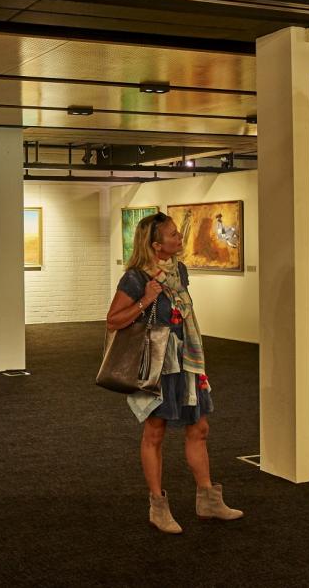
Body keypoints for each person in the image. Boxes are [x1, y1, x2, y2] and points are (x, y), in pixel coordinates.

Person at [106, 211, 243, 534]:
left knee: (200, 427)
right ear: (156, 245)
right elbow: (113, 320)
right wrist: (145, 301)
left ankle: (207, 498)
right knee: (155, 431)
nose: (179, 239)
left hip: (187, 360)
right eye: (173, 235)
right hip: (158, 362)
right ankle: (157, 505)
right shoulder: (136, 278)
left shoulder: (179, 270)